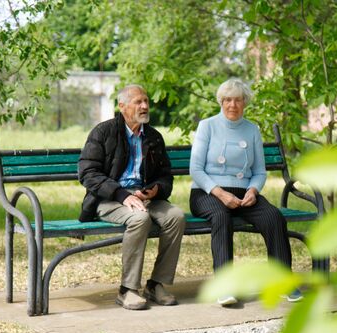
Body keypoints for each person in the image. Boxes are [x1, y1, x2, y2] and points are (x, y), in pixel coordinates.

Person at [189, 78, 302, 306]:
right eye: (228, 100)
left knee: (273, 217)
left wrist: (253, 190)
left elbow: (259, 172)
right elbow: (196, 169)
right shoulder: (208, 126)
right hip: (207, 191)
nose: (233, 105)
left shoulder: (251, 130)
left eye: (238, 100)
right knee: (221, 217)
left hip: (244, 192)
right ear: (221, 101)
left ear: (245, 103)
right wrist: (220, 193)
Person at [78, 84, 185, 310]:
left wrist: (156, 189)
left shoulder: (153, 137)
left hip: (145, 198)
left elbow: (166, 175)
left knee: (176, 216)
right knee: (139, 219)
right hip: (109, 199)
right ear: (122, 106)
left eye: (146, 101)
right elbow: (88, 173)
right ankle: (127, 289)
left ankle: (156, 284)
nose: (145, 106)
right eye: (138, 102)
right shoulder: (103, 132)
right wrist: (121, 194)